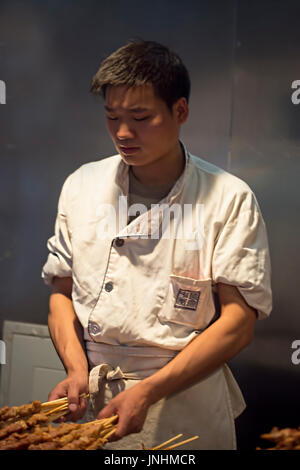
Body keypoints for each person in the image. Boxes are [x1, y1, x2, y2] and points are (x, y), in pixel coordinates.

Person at [41, 40, 272, 450]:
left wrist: (148, 391)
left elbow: (239, 323)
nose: (123, 133)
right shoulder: (82, 186)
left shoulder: (227, 198)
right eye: (112, 117)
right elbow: (61, 292)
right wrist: (77, 369)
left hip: (184, 407)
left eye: (141, 117)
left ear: (179, 111)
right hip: (99, 405)